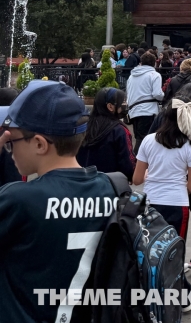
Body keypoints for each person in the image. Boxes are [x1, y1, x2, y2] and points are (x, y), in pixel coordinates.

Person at [0, 81, 120, 323]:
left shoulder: (18, 199)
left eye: (11, 141)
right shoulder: (112, 189)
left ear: (39, 144)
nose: (7, 148)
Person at [133, 94, 191, 300]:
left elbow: (137, 179)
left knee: (152, 251)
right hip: (177, 203)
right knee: (175, 252)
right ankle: (181, 294)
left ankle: (164, 290)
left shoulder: (147, 140)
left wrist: (150, 176)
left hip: (151, 204)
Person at [149, 83, 191, 272]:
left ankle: (170, 260)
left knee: (168, 218)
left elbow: (150, 137)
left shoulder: (163, 113)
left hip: (165, 172)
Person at [77, 87, 135, 180]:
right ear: (110, 106)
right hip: (109, 185)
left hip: (81, 183)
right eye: (123, 102)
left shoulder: (84, 126)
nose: (125, 104)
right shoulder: (119, 130)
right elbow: (127, 164)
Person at [127, 51, 165, 153]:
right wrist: (165, 97)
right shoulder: (154, 75)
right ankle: (136, 164)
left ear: (141, 62)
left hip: (134, 111)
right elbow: (157, 94)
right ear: (154, 63)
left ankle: (138, 164)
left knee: (139, 138)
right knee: (145, 141)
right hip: (148, 111)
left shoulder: (132, 76)